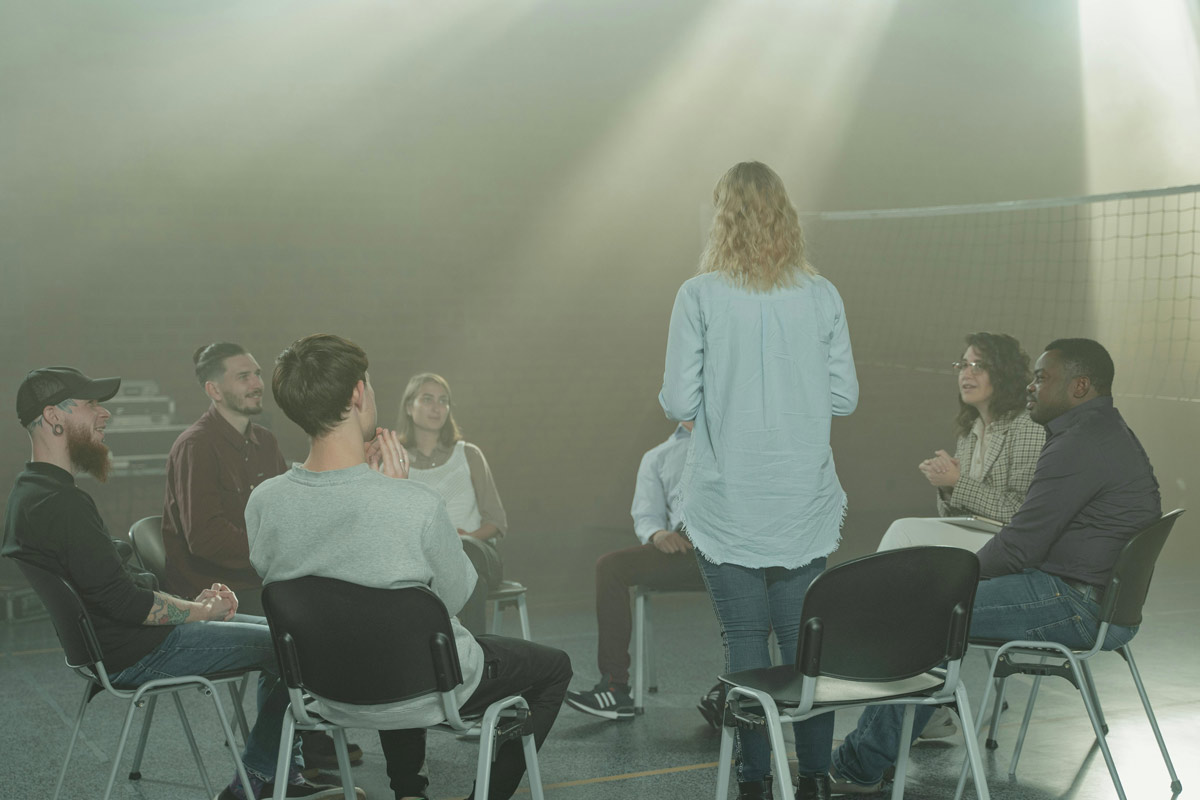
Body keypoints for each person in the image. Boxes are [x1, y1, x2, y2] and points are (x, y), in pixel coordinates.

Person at [2, 366, 354, 800]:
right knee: (294, 645)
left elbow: (118, 587)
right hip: (137, 650)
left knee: (287, 636)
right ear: (54, 416)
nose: (105, 414)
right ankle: (265, 778)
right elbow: (126, 603)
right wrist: (201, 611)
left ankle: (280, 773)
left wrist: (189, 604)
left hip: (118, 645)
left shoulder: (30, 493)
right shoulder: (61, 503)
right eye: (93, 404)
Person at [829, 338, 1162, 795]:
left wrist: (951, 583)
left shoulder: (1079, 444)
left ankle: (859, 763)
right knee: (937, 603)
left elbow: (1018, 548)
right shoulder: (1100, 432)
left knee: (935, 612)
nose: (1032, 387)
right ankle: (882, 745)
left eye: (1043, 378)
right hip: (1093, 598)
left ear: (1080, 386)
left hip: (1075, 603)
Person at [246, 334, 571, 800]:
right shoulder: (415, 503)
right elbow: (455, 597)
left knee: (388, 638)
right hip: (424, 686)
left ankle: (409, 791)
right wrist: (395, 495)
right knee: (553, 668)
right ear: (358, 393)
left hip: (327, 690)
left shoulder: (264, 502)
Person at [659, 162, 859, 800]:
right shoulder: (822, 294)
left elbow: (675, 400)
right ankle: (817, 780)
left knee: (746, 642)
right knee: (808, 647)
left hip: (728, 498)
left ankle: (752, 781)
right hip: (802, 498)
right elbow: (846, 397)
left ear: (722, 216)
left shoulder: (699, 295)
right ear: (786, 214)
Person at [161, 342, 361, 773]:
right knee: (297, 629)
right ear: (214, 390)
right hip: (212, 591)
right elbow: (207, 539)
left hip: (260, 579)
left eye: (256, 374)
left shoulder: (264, 440)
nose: (256, 384)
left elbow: (282, 513)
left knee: (335, 600)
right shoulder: (195, 445)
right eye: (243, 376)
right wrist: (277, 556)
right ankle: (284, 750)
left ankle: (301, 733)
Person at [565, 420, 706, 720]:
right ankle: (616, 689)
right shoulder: (658, 456)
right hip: (684, 550)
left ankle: (740, 693)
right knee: (610, 566)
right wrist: (658, 534)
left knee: (772, 563)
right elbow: (646, 514)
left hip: (733, 551)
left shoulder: (737, 440)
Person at [877, 332, 1045, 555]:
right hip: (981, 536)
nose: (966, 374)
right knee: (907, 537)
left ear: (1004, 373)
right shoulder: (969, 431)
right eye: (963, 365)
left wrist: (958, 482)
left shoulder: (1028, 425)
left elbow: (1020, 510)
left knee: (903, 532)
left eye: (978, 366)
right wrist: (947, 487)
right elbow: (954, 518)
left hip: (1014, 543)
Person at [397, 373, 507, 634]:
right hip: (425, 561)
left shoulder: (468, 454)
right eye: (427, 399)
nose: (437, 407)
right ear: (409, 407)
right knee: (470, 583)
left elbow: (497, 522)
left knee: (464, 554)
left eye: (443, 401)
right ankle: (474, 662)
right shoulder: (395, 460)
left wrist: (465, 537)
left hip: (476, 552)